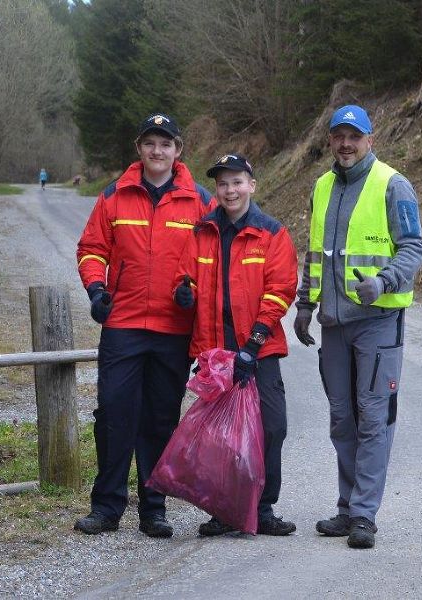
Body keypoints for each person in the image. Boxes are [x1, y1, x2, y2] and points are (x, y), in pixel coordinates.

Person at [74, 113, 213, 538]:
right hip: (124, 324)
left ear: (178, 150)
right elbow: (92, 248)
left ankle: (153, 509)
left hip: (174, 330)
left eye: (165, 144)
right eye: (150, 143)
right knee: (114, 413)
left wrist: (192, 287)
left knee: (159, 419)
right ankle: (107, 507)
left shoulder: (201, 200)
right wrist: (97, 291)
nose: (158, 151)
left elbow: (212, 259)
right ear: (139, 148)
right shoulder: (115, 195)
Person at [293, 105, 422, 549]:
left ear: (371, 139)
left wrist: (383, 281)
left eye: (355, 136)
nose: (346, 143)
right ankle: (347, 507)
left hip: (378, 322)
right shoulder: (323, 185)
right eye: (339, 136)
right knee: (341, 419)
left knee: (373, 418)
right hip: (334, 324)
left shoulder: (393, 185)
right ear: (330, 141)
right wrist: (305, 305)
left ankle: (364, 515)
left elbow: (413, 249)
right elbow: (315, 254)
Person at [173, 153, 298, 537]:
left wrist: (253, 343)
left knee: (271, 428)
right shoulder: (202, 231)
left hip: (258, 351)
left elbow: (281, 291)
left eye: (237, 182)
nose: (230, 190)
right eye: (223, 184)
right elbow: (186, 274)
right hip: (215, 350)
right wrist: (182, 291)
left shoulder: (272, 233)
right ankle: (224, 511)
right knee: (220, 436)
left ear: (252, 186)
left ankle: (262, 509)